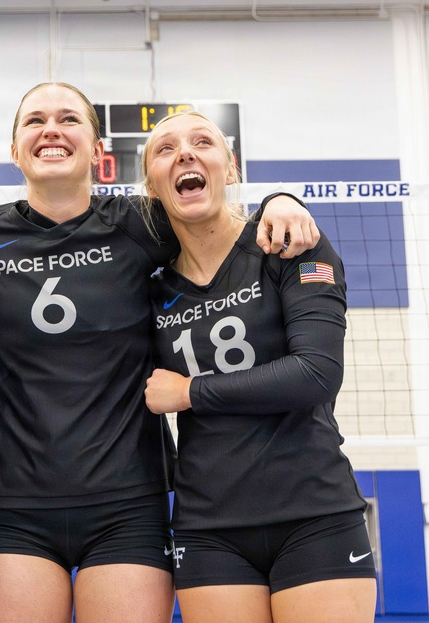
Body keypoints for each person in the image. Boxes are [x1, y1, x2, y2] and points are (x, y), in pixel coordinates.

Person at [0, 82, 319, 623]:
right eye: (34, 121)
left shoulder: (143, 223)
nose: (51, 129)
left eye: (69, 119)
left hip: (127, 502)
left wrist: (281, 200)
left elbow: (217, 222)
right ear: (15, 149)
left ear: (96, 149)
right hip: (17, 506)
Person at [140, 111, 376, 623]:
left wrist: (190, 394)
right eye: (165, 149)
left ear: (231, 167)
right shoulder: (150, 288)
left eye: (203, 141)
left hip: (314, 512)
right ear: (152, 186)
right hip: (208, 527)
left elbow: (315, 374)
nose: (185, 153)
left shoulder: (290, 246)